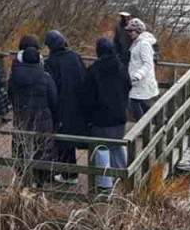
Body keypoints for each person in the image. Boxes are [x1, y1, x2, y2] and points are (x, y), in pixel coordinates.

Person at [7, 35, 58, 187]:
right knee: (42, 150)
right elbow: (53, 99)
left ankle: (22, 178)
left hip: (22, 117)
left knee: (21, 147)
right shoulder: (45, 77)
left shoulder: (15, 76)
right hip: (42, 119)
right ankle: (40, 181)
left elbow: (10, 94)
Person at [82, 37, 132, 190]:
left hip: (101, 119)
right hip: (119, 118)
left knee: (101, 149)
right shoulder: (121, 68)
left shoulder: (93, 71)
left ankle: (105, 184)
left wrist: (89, 115)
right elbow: (128, 86)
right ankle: (124, 176)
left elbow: (88, 96)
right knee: (117, 146)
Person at [43, 29, 87, 183]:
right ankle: (70, 173)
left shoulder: (51, 62)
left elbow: (51, 86)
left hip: (61, 106)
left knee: (62, 141)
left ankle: (68, 174)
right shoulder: (76, 57)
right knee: (70, 140)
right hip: (78, 104)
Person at [127, 18, 159, 120]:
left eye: (131, 31)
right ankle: (155, 119)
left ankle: (142, 127)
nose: (129, 33)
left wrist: (138, 75)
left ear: (138, 31)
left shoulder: (144, 44)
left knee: (134, 102)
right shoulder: (137, 42)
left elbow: (148, 63)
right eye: (128, 31)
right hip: (136, 80)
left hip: (141, 80)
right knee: (140, 103)